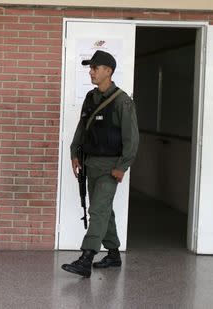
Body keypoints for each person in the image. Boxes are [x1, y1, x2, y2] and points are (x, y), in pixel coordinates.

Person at [61, 50, 139, 278]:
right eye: (90, 68)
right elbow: (81, 128)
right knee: (105, 210)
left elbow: (131, 138)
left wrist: (122, 166)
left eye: (95, 68)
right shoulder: (90, 97)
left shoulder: (123, 102)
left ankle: (86, 258)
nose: (91, 72)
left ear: (108, 71)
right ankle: (113, 254)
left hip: (110, 168)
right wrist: (74, 153)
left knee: (97, 210)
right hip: (90, 164)